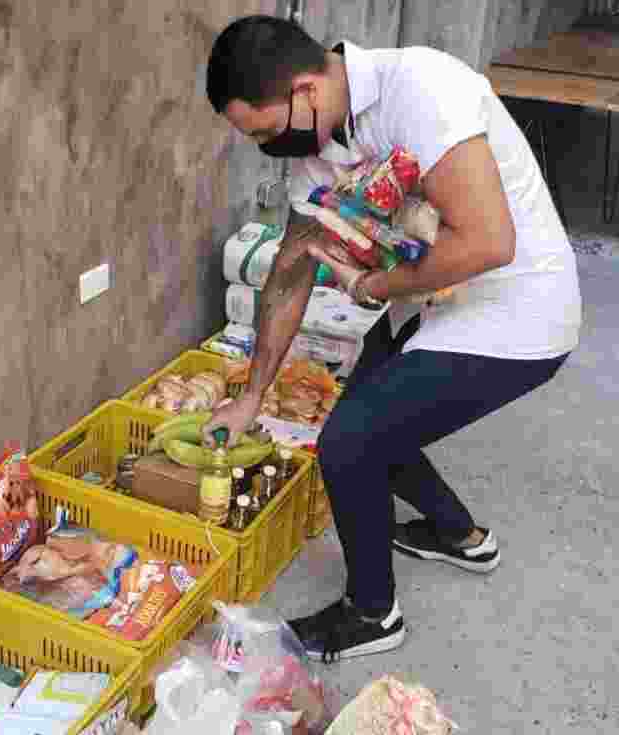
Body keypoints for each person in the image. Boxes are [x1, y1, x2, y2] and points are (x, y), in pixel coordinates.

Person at [203, 15, 582, 662]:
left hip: (520, 306)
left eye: (267, 131)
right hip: (436, 296)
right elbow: (291, 273)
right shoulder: (314, 149)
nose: (268, 147)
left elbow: (490, 242)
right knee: (374, 407)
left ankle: (372, 612)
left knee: (350, 440)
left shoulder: (422, 89)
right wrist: (252, 395)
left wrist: (378, 288)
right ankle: (459, 533)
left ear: (305, 90)